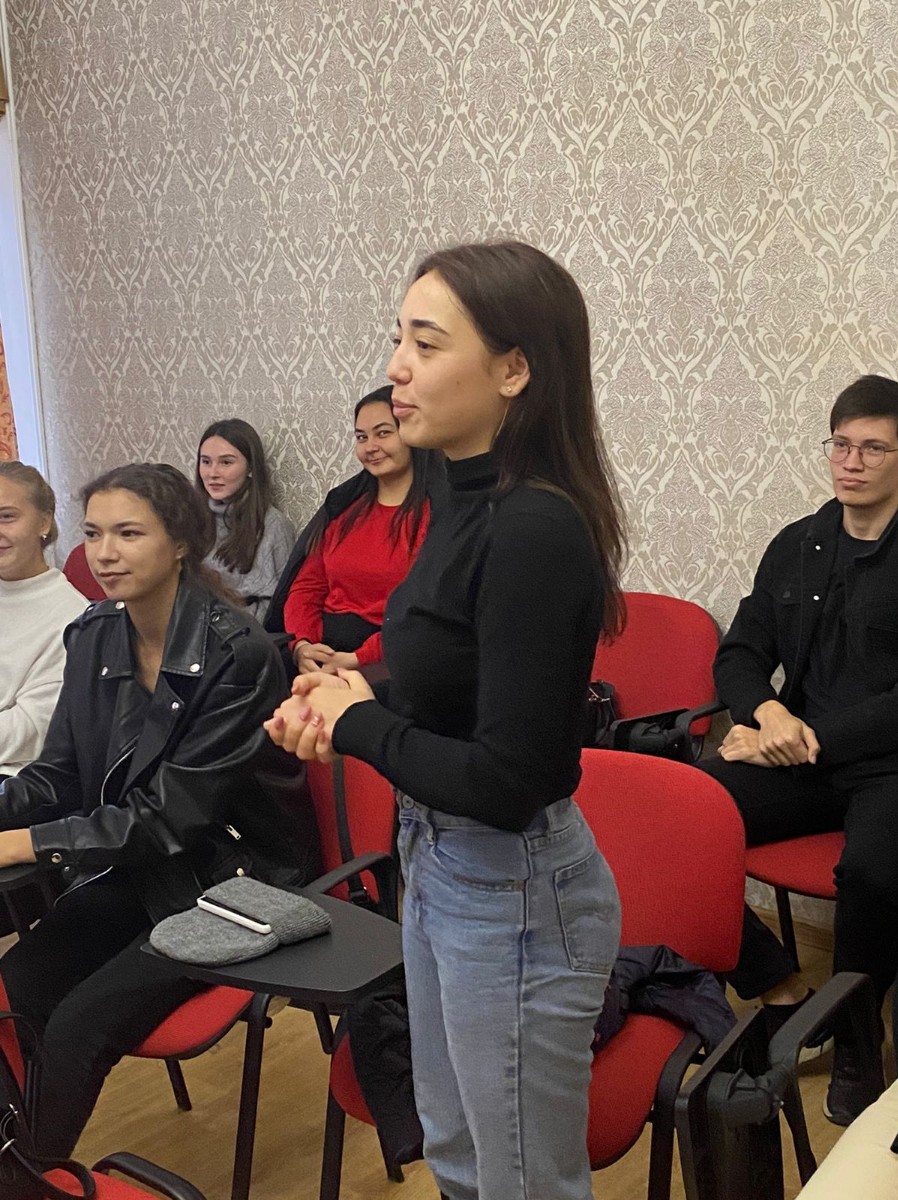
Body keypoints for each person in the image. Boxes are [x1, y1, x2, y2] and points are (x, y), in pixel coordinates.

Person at [267, 241, 625, 1200]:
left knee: (521, 1183)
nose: (396, 368)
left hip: (509, 887)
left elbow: (510, 780)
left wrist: (357, 726)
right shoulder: (459, 500)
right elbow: (446, 680)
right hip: (438, 859)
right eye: (399, 339)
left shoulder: (535, 528)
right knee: (459, 1154)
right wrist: (348, 696)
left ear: (514, 370)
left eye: (426, 345)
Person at [0, 463, 318, 1158]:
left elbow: (168, 818)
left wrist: (23, 843)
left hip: (235, 882)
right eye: (93, 535)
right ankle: (20, 1157)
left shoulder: (236, 652)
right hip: (150, 870)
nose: (104, 553)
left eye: (128, 533)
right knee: (17, 983)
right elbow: (59, 776)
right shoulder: (94, 634)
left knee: (79, 1025)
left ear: (180, 543)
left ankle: (29, 1177)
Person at [701, 374, 898, 1127]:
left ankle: (857, 1044)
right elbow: (740, 651)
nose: (851, 462)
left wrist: (798, 738)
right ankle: (781, 990)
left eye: (873, 448)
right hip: (798, 751)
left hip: (887, 763)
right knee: (683, 820)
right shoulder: (798, 543)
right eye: (840, 444)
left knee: (874, 874)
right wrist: (768, 711)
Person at [266, 385, 433, 675]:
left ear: (411, 435)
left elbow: (426, 611)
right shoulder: (343, 508)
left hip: (393, 660)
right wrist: (303, 645)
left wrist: (358, 659)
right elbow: (307, 587)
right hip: (321, 652)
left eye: (383, 433)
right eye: (361, 437)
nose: (370, 446)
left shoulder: (436, 516)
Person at [0, 461, 86, 779]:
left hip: (16, 781)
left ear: (44, 521)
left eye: (7, 517)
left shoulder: (72, 618)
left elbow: (31, 730)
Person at [195, 418, 295, 619]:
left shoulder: (273, 526)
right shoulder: (191, 517)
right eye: (206, 462)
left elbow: (277, 609)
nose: (213, 473)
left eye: (226, 462)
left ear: (251, 468)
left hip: (241, 631)